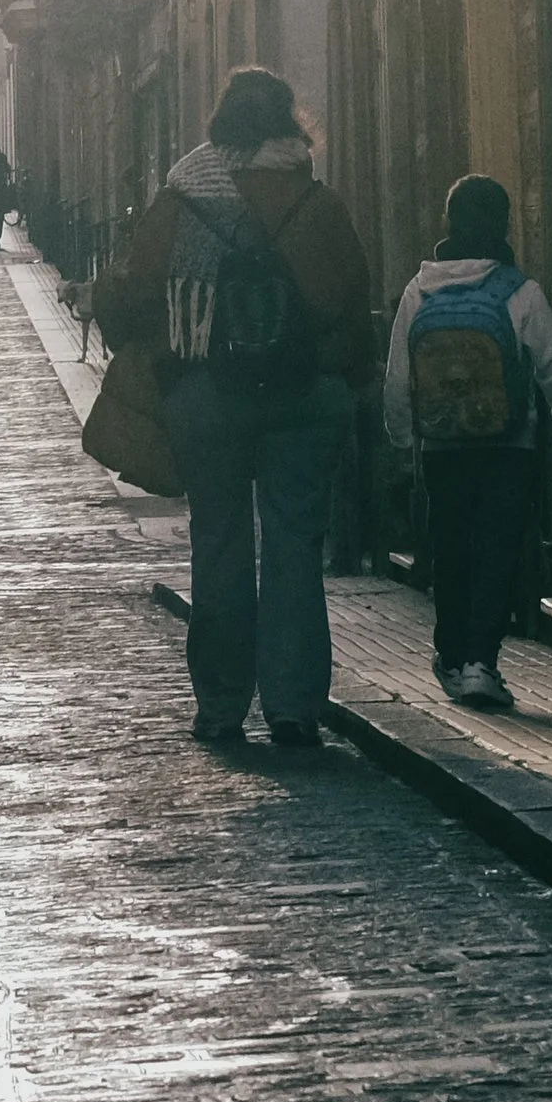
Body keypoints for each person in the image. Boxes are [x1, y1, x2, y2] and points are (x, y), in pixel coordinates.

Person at [115, 68, 373, 752]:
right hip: (303, 393)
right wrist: (346, 381)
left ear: (220, 122)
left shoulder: (182, 197)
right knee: (294, 545)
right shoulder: (316, 200)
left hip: (207, 392)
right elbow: (353, 297)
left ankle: (222, 705)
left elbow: (139, 295)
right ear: (289, 124)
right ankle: (292, 707)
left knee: (219, 542)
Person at [383, 173, 552, 712]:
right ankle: (480, 663)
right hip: (509, 446)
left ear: (447, 226)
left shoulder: (419, 290)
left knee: (449, 548)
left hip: (442, 447)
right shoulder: (521, 291)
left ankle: (449, 654)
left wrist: (403, 441)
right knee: (498, 548)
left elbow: (399, 376)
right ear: (503, 225)